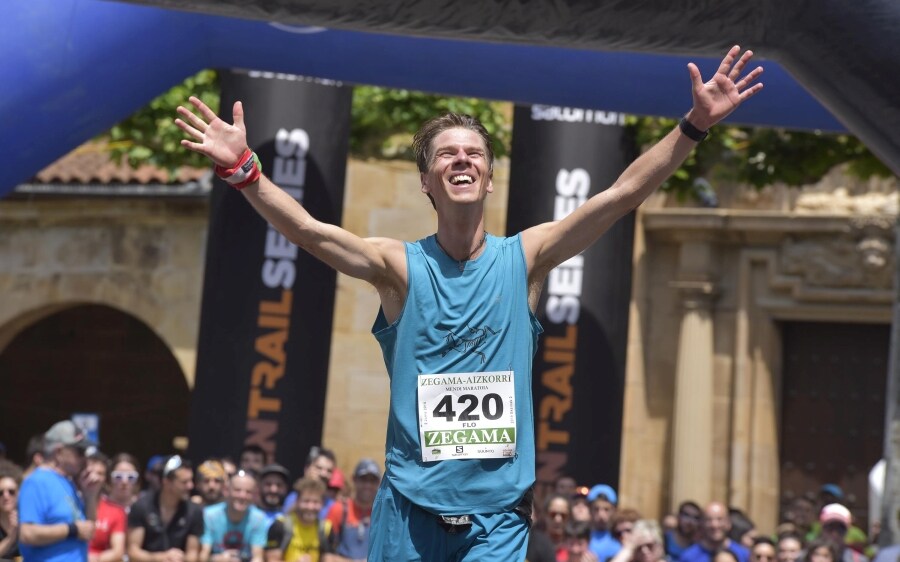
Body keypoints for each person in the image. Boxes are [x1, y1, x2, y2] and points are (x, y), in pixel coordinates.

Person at [175, 45, 763, 561]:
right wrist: (243, 170)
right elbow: (311, 232)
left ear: (488, 179)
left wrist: (693, 126)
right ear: (426, 182)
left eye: (475, 154)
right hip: (409, 508)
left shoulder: (526, 257)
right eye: (447, 155)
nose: (462, 160)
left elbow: (618, 196)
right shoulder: (399, 267)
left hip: (497, 518)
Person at [18, 420, 103, 562]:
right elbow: (27, 533)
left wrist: (90, 496)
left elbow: (88, 530)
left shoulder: (68, 482)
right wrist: (72, 530)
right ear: (58, 452)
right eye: (79, 452)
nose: (84, 458)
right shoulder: (36, 482)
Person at [128, 455, 204, 562]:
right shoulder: (141, 506)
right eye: (184, 482)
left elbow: (193, 553)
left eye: (191, 480)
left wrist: (179, 559)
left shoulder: (194, 511)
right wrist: (161, 557)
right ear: (166, 481)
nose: (190, 486)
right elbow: (133, 552)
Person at [200, 471, 268, 562]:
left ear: (254, 495)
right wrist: (217, 559)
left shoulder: (259, 518)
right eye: (237, 490)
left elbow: (258, 557)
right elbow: (203, 556)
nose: (242, 496)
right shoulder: (209, 515)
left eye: (248, 492)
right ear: (226, 491)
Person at [323, 459, 381, 561]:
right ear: (354, 479)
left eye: (372, 480)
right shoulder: (339, 510)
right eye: (363, 480)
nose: (368, 485)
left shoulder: (383, 514)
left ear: (379, 483)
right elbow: (325, 556)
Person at [266, 477, 334, 562]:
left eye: (316, 502)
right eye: (306, 501)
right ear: (297, 501)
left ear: (322, 504)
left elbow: (329, 558)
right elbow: (272, 559)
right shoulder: (280, 525)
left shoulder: (326, 529)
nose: (310, 507)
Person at [86, 452, 127, 562]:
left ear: (105, 479)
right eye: (90, 472)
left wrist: (92, 559)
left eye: (100, 474)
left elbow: (118, 552)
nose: (94, 477)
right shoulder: (68, 503)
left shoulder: (116, 512)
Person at [679, 502, 749, 562]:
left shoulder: (743, 555)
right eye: (709, 520)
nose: (714, 525)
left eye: (719, 519)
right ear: (702, 524)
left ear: (728, 523)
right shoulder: (689, 557)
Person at [587, 484, 621, 561]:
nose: (601, 515)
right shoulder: (582, 537)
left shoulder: (621, 536)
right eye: (596, 509)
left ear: (614, 511)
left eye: (606, 509)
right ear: (590, 510)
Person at [0, 459, 23, 559]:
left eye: (11, 491)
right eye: (0, 493)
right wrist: (11, 537)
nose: (6, 496)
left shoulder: (28, 516)